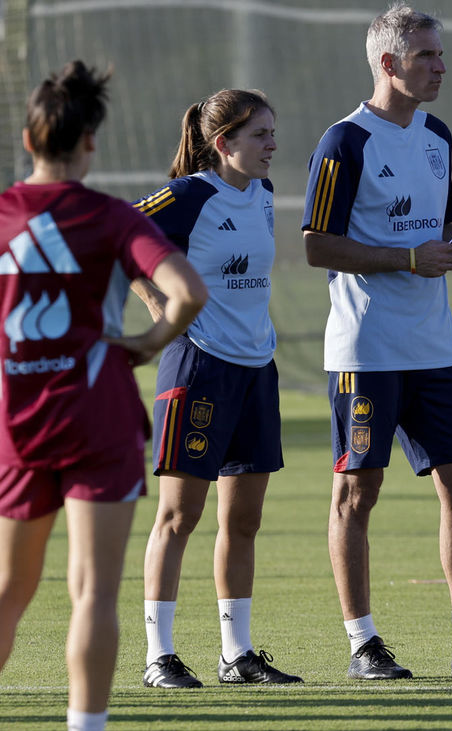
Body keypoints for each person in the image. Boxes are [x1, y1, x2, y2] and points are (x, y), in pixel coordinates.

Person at [0, 61, 207, 731]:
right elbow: (189, 292)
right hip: (100, 420)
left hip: (18, 423)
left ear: (28, 142)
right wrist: (149, 341)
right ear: (91, 140)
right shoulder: (113, 217)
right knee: (92, 592)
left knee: (5, 587)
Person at [301, 3, 452, 679]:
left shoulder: (437, 134)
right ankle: (362, 643)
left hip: (435, 347)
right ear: (388, 63)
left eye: (441, 54)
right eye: (427, 55)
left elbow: (439, 227)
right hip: (366, 350)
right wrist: (407, 259)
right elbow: (317, 247)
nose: (440, 66)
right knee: (358, 491)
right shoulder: (343, 142)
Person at [131, 89, 301, 687]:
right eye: (260, 135)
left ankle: (237, 654)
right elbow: (121, 239)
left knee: (245, 520)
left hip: (257, 369)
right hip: (198, 367)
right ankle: (160, 657)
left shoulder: (263, 194)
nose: (272, 145)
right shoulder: (188, 195)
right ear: (223, 141)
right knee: (180, 516)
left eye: (273, 133)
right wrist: (162, 308)